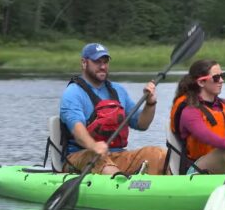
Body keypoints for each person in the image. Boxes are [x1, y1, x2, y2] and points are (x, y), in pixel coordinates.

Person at [59, 43, 166, 175]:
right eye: (97, 62)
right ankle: (123, 185)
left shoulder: (118, 90)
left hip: (116, 156)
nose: (103, 66)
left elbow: (141, 124)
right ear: (84, 63)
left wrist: (150, 104)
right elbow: (77, 130)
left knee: (156, 153)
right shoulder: (73, 93)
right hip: (79, 158)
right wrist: (94, 146)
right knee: (96, 157)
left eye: (105, 62)